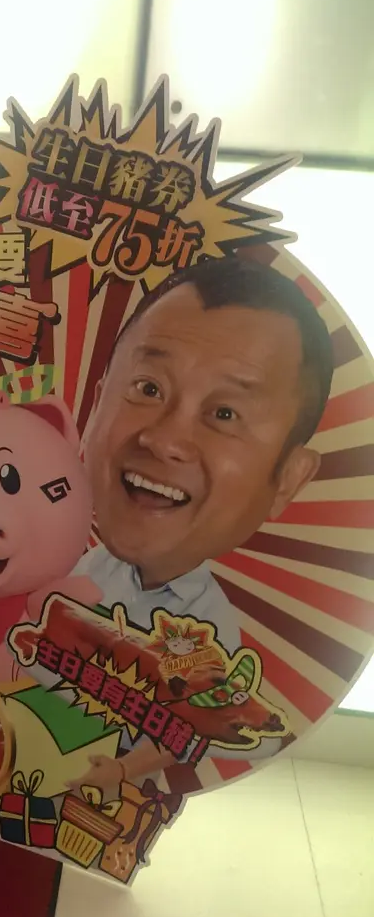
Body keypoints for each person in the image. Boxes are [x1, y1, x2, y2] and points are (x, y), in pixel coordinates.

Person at [69, 255, 334, 790]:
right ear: (95, 407)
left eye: (225, 414)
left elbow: (189, 730)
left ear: (288, 478)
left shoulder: (209, 629)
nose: (164, 440)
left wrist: (119, 773)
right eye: (148, 388)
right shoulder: (80, 566)